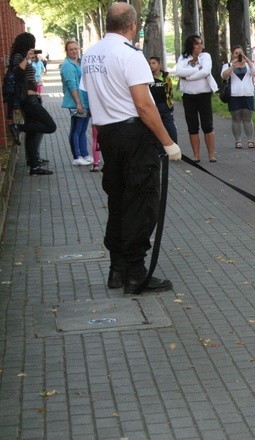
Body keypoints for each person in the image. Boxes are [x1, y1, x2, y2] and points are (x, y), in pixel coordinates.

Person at [80, 2, 181, 294]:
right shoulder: (130, 55)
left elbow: (94, 96)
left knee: (119, 201)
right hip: (134, 136)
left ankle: (117, 268)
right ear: (132, 25)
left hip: (108, 136)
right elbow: (144, 105)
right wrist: (168, 142)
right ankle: (136, 273)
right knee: (141, 204)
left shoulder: (91, 54)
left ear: (108, 23)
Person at [8, 32, 57, 176]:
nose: (33, 48)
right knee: (50, 126)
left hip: (32, 98)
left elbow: (29, 78)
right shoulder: (18, 56)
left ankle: (34, 165)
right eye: (31, 44)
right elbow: (16, 73)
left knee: (32, 132)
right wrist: (27, 58)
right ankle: (17, 127)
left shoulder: (23, 57)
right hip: (29, 101)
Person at [175, 34, 217, 162]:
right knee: (192, 127)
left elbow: (206, 71)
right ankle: (196, 155)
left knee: (207, 125)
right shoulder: (183, 58)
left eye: (201, 43)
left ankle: (211, 155)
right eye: (197, 43)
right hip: (188, 96)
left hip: (204, 95)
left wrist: (188, 77)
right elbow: (179, 72)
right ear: (191, 45)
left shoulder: (206, 56)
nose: (200, 46)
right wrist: (197, 70)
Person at [60, 39, 92, 166]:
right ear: (67, 51)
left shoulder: (79, 63)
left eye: (76, 48)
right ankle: (76, 156)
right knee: (76, 129)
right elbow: (72, 85)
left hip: (85, 100)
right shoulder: (67, 65)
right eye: (71, 49)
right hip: (76, 102)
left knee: (83, 130)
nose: (74, 51)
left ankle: (85, 154)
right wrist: (78, 103)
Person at [221, 45, 255, 149]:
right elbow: (224, 75)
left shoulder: (249, 65)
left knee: (247, 118)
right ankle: (238, 140)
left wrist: (248, 61)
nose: (238, 55)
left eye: (240, 53)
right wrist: (233, 66)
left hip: (248, 94)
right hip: (234, 95)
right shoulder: (228, 65)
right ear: (232, 54)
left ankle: (250, 140)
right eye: (236, 53)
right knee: (236, 117)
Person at [148, 56, 177, 143]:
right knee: (155, 133)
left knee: (171, 131)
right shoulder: (147, 78)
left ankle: (173, 151)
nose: (151, 65)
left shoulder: (166, 78)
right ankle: (159, 153)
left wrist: (170, 105)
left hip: (165, 108)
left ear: (159, 65)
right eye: (149, 63)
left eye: (153, 63)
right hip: (153, 108)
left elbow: (170, 92)